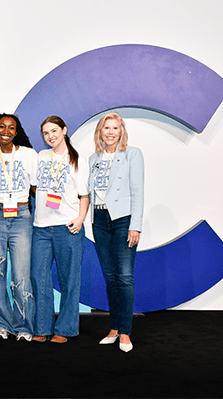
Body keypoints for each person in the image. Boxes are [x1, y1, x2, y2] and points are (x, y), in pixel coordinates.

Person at [31, 116, 90, 344]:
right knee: (39, 277)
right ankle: (42, 327)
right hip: (41, 228)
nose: (50, 136)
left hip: (68, 227)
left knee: (69, 280)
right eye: (46, 133)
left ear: (64, 130)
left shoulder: (77, 160)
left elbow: (84, 196)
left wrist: (80, 219)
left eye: (54, 131)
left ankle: (65, 328)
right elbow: (35, 186)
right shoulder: (41, 157)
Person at [89, 111, 144, 353]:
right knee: (110, 277)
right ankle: (114, 327)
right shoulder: (93, 159)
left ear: (121, 131)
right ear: (100, 132)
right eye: (106, 128)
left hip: (123, 220)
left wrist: (135, 225)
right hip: (100, 219)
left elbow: (138, 191)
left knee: (124, 277)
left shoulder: (132, 154)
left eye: (115, 128)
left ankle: (125, 332)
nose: (110, 132)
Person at [0, 113, 38, 342]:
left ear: (16, 131)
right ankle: (1, 325)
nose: (6, 131)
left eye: (11, 127)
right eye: (2, 126)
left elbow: (36, 188)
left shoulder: (28, 154)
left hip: (21, 217)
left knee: (21, 275)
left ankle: (23, 326)